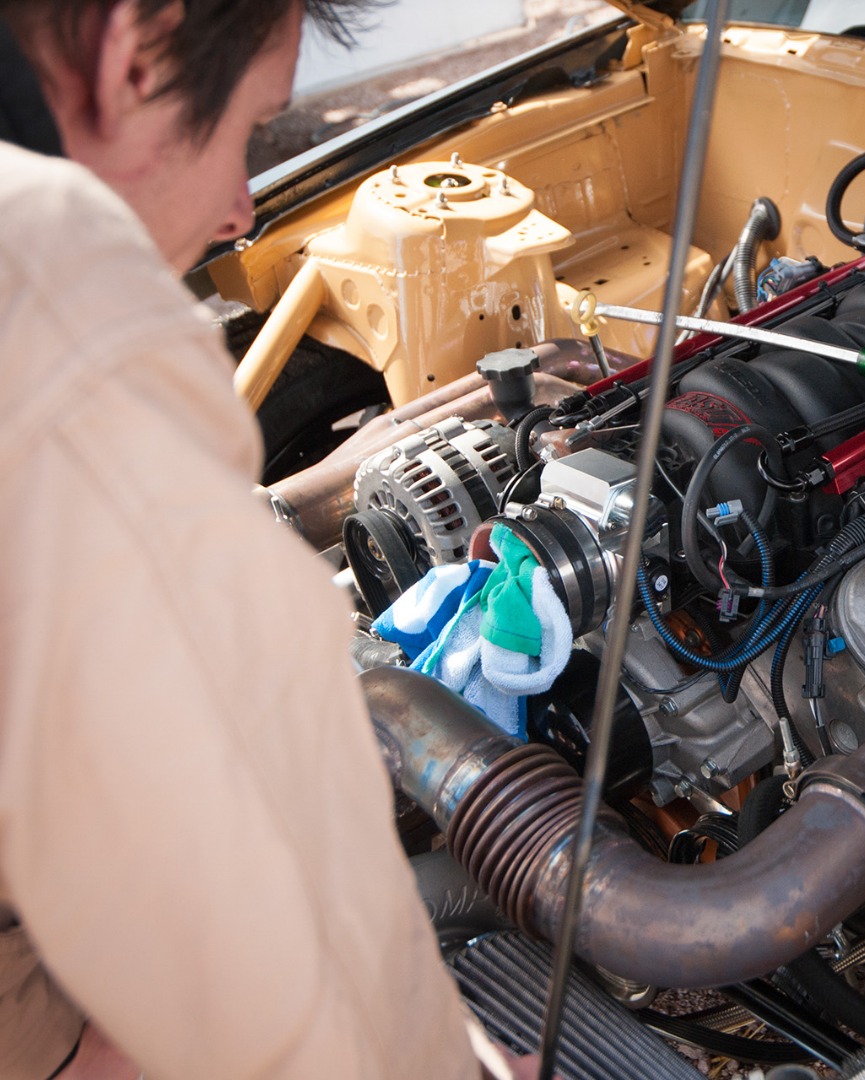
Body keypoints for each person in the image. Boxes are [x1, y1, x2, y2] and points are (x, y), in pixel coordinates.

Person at [0, 2, 534, 1076]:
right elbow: (262, 970)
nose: (245, 209)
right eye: (248, 130)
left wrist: (297, 500)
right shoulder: (42, 261)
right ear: (134, 48)